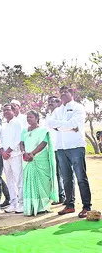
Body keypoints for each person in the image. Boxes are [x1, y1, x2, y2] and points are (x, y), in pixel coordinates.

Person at [47, 86, 92, 218]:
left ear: (72, 93)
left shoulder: (78, 107)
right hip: (61, 148)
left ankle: (86, 206)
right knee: (66, 178)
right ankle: (69, 205)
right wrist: (68, 126)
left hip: (76, 147)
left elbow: (74, 123)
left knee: (81, 178)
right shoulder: (57, 110)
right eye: (60, 93)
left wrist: (60, 126)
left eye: (65, 92)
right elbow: (50, 123)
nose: (62, 95)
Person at [20, 110, 58, 216]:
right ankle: (31, 206)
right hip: (27, 159)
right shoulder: (24, 130)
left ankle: (43, 206)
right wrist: (24, 153)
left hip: (40, 159)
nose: (28, 119)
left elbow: (44, 143)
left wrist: (32, 153)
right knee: (29, 182)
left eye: (31, 117)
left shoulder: (43, 130)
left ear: (37, 118)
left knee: (44, 181)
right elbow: (21, 143)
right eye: (27, 117)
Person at [0, 103, 24, 214]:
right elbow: (0, 140)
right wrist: (2, 151)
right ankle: (13, 203)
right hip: (5, 157)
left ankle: (22, 203)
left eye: (8, 110)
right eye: (4, 110)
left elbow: (18, 139)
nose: (6, 112)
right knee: (9, 180)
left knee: (18, 179)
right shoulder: (3, 125)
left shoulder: (17, 123)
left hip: (15, 155)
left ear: (13, 111)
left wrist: (8, 151)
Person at [45, 96, 66, 205]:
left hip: (59, 147)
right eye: (49, 102)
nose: (50, 103)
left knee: (61, 172)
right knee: (54, 173)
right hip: (50, 148)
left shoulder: (59, 114)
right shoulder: (48, 116)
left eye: (52, 101)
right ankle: (57, 195)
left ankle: (63, 196)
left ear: (58, 103)